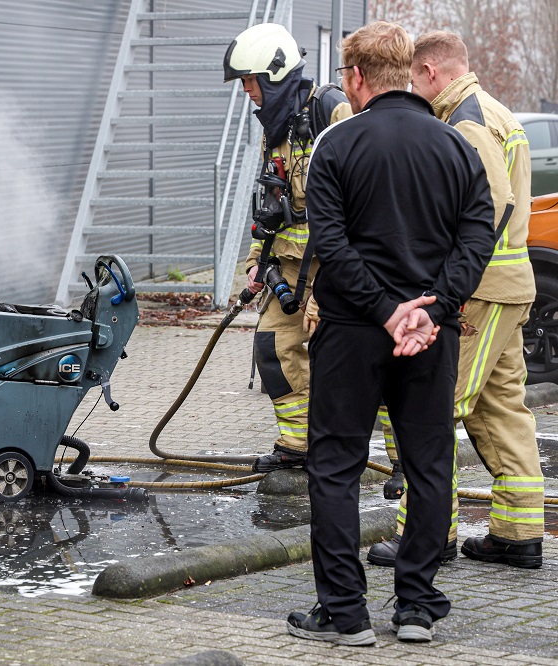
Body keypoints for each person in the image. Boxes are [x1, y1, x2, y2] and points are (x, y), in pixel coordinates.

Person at [287, 21, 496, 646]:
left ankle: (346, 615)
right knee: (430, 465)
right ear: (407, 72)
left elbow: (330, 242)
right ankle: (416, 608)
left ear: (355, 78)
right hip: (432, 335)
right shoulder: (455, 146)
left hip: (353, 331)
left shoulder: (337, 145)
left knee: (335, 468)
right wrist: (430, 311)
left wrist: (384, 311)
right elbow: (478, 233)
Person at [367, 31, 544, 570]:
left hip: (481, 291)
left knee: (431, 409)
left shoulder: (465, 121)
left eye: (414, 80)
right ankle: (517, 533)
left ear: (430, 72)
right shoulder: (494, 111)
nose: (412, 93)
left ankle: (426, 536)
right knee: (500, 409)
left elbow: (487, 210)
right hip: (506, 287)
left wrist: (445, 288)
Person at [223, 23, 354, 473]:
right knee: (272, 347)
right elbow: (271, 205)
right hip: (291, 271)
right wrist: (257, 262)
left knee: (350, 365)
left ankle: (391, 464)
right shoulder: (275, 129)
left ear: (274, 75)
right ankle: (299, 445)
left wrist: (332, 283)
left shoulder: (331, 111)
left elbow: (359, 204)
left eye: (250, 81)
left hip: (336, 270)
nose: (247, 93)